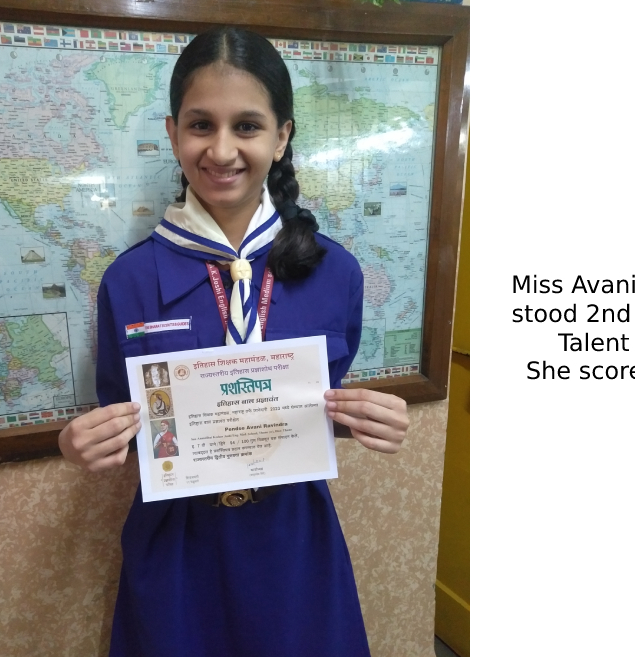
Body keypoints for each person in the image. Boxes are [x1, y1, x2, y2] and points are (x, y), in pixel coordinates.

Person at [58, 26, 408, 657]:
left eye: (247, 126)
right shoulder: (129, 280)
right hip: (178, 549)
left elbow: (316, 408)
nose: (221, 150)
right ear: (172, 134)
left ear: (282, 136)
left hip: (292, 542)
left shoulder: (337, 273)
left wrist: (363, 419)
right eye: (200, 125)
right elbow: (126, 423)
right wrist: (80, 442)